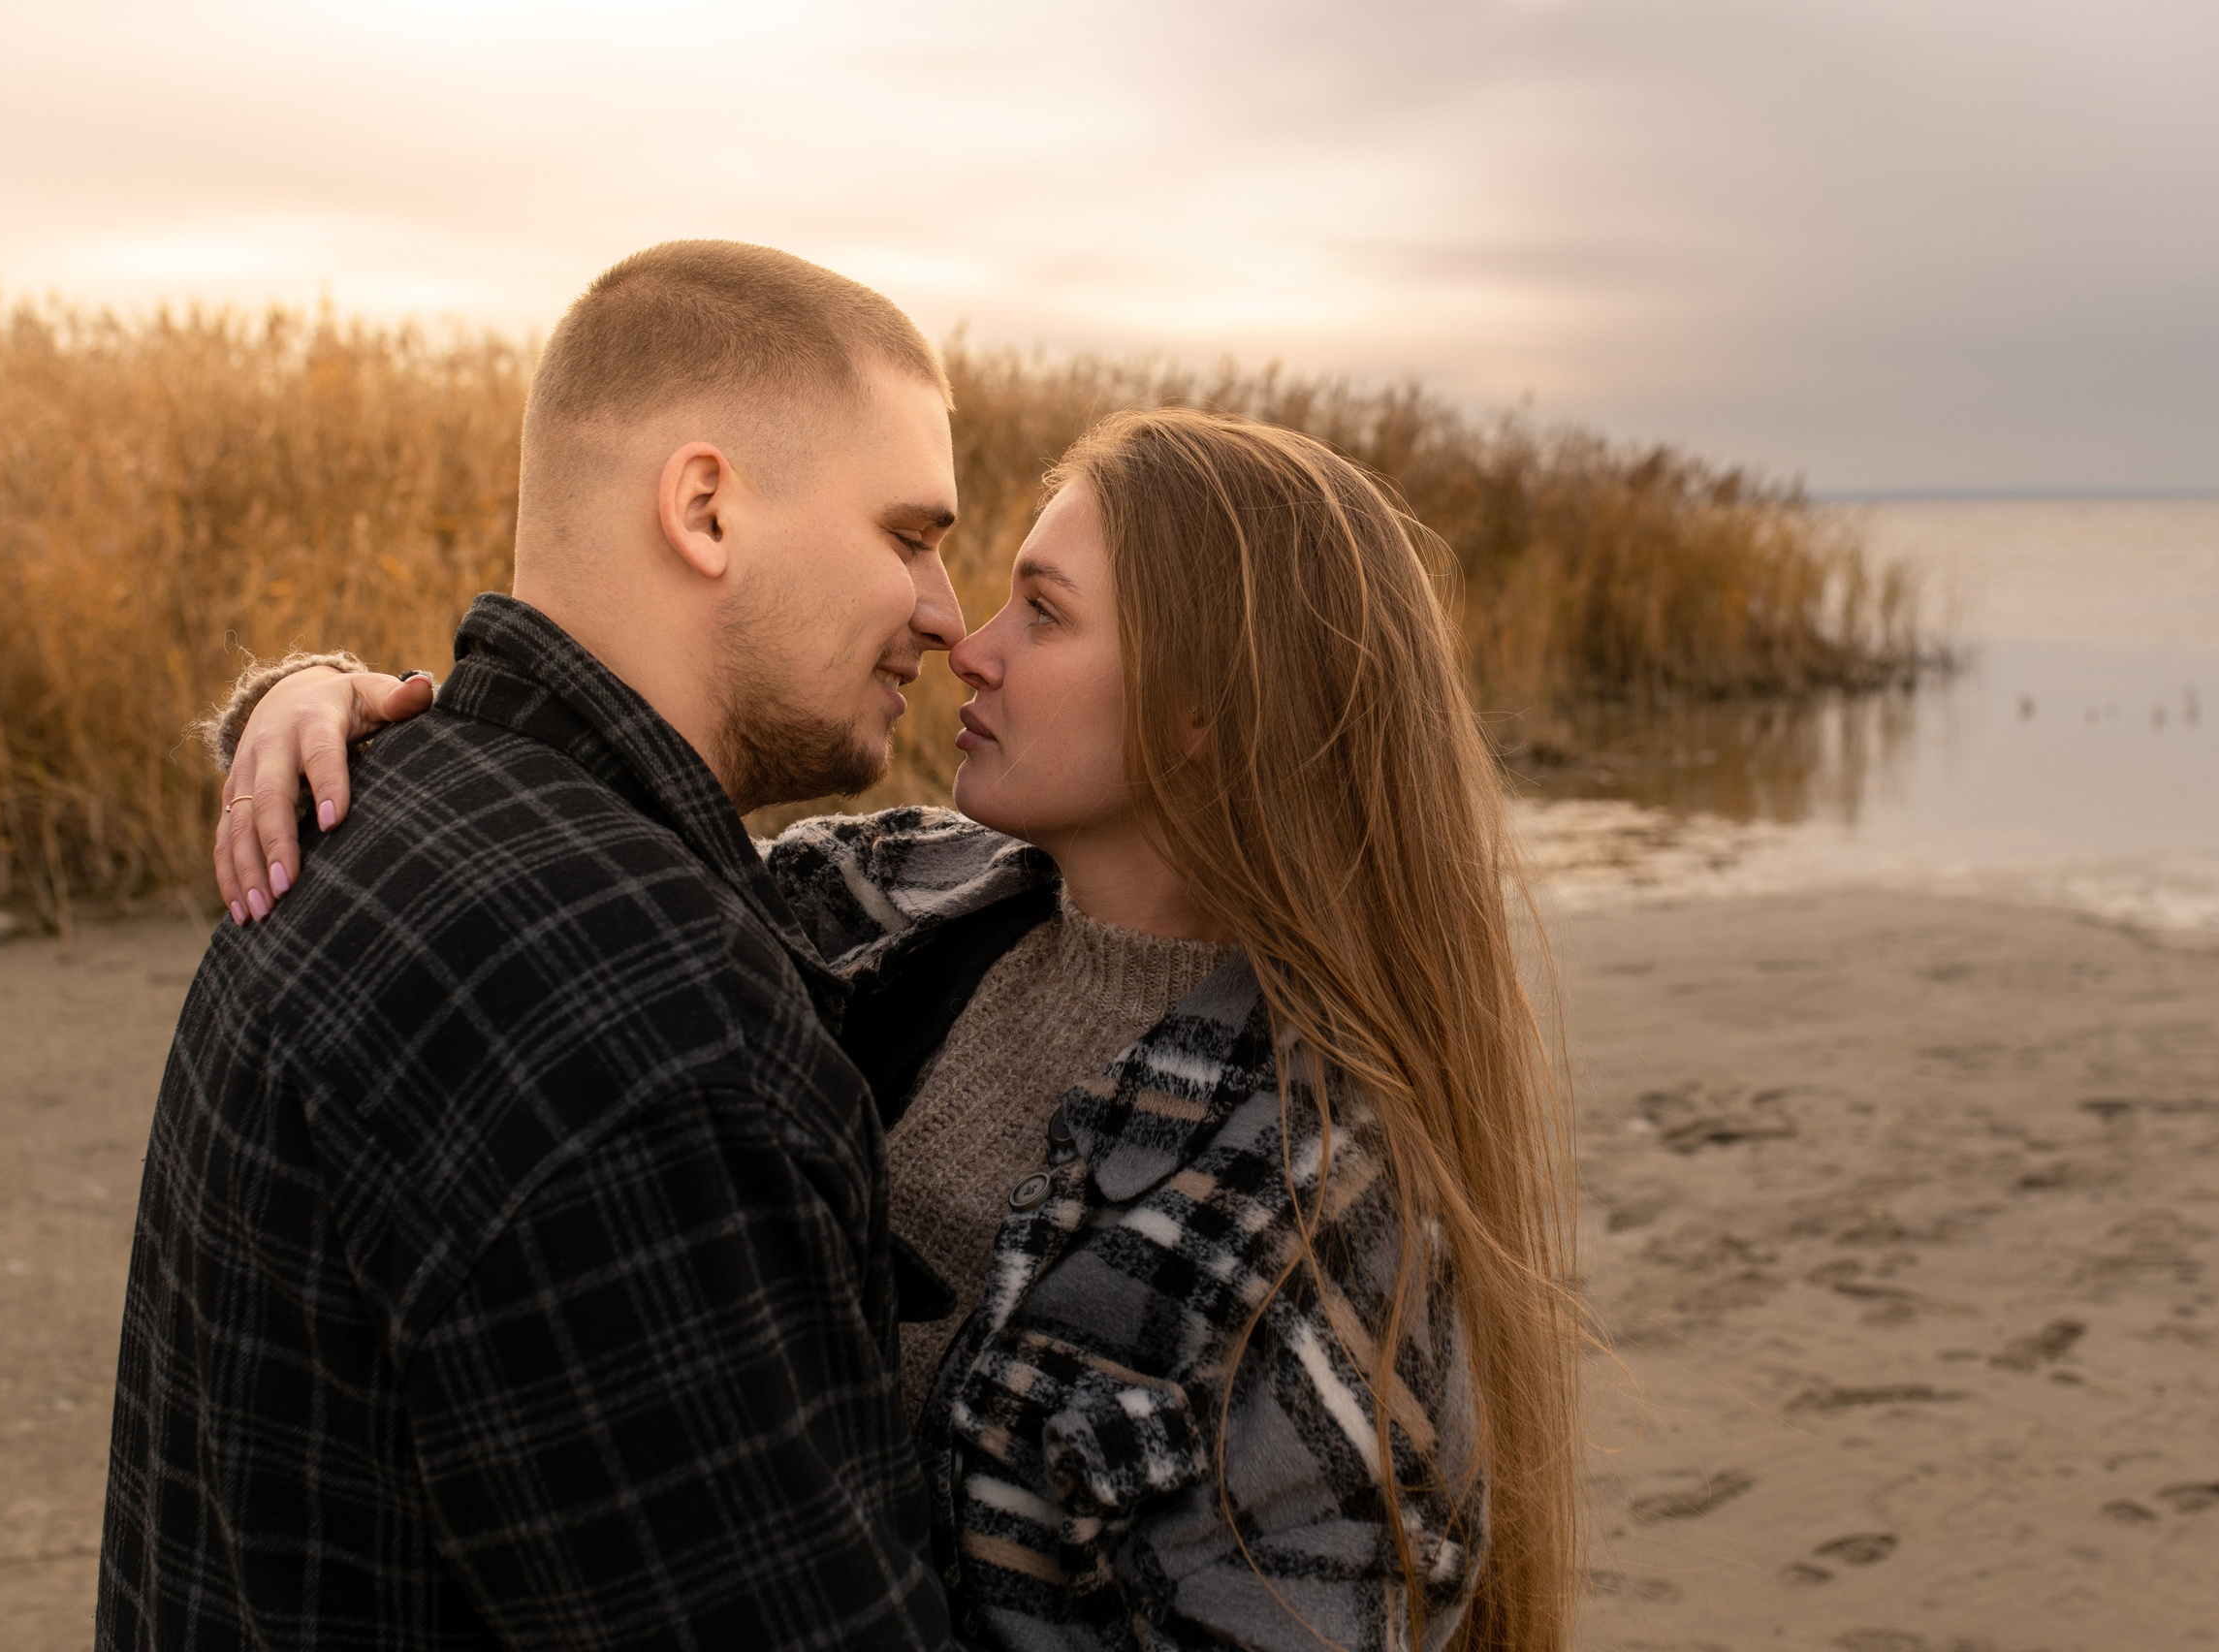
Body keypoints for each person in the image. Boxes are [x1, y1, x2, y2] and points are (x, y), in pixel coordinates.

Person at [219, 408, 1583, 1649]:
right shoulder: (876, 894)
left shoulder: (1323, 1216)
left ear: (1201, 718)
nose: (965, 643)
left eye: (1041, 615)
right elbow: (559, 897)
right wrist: (346, 710)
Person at [99, 241, 971, 1651]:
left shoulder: (384, 809)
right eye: (910, 535)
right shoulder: (643, 1020)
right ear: (704, 508)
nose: (948, 613)